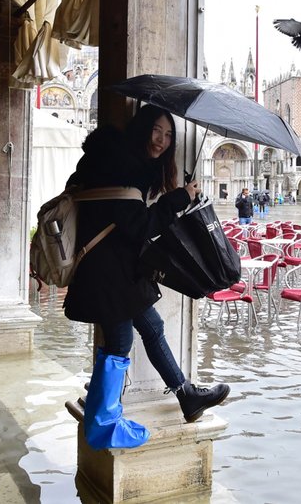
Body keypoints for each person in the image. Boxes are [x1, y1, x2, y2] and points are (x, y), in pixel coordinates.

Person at [63, 104, 229, 450]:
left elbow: (125, 218)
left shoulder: (109, 159)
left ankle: (186, 395)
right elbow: (138, 227)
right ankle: (103, 425)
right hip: (108, 273)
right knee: (119, 345)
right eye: (157, 131)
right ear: (141, 129)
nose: (162, 141)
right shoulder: (121, 165)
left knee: (152, 327)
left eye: (169, 135)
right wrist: (179, 199)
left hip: (116, 269)